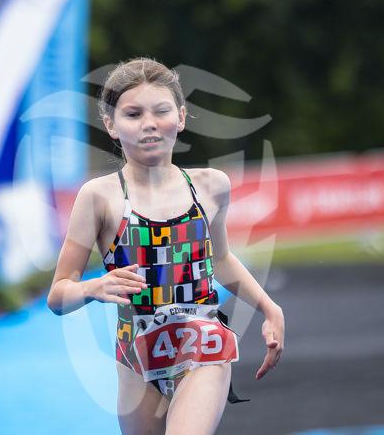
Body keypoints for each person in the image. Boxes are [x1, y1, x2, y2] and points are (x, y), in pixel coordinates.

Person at [47, 57, 285, 435]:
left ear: (181, 117)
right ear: (111, 125)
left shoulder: (210, 187)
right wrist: (93, 288)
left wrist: (270, 308)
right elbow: (58, 295)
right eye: (133, 114)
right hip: (136, 358)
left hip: (203, 345)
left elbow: (221, 260)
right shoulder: (99, 197)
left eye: (161, 111)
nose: (149, 123)